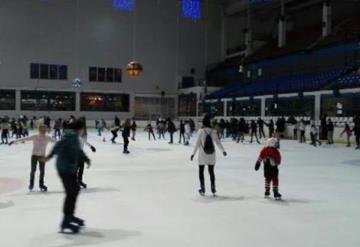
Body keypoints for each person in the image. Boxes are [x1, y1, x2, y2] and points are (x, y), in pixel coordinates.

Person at [42, 120, 90, 234]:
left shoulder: (74, 136)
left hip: (69, 168)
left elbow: (78, 151)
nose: (84, 131)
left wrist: (85, 158)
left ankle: (70, 216)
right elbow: (58, 145)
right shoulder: (70, 136)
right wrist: (49, 156)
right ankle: (66, 222)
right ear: (79, 128)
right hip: (65, 169)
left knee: (74, 191)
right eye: (83, 129)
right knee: (71, 192)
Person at [9, 124, 56, 191]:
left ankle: (41, 184)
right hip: (34, 156)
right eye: (42, 129)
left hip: (42, 156)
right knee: (33, 170)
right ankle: (31, 184)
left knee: (42, 171)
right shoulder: (35, 137)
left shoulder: (48, 138)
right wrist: (14, 141)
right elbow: (24, 138)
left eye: (45, 130)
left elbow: (57, 142)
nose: (44, 131)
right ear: (39, 130)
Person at [191, 115, 227, 196]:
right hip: (211, 154)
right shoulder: (213, 131)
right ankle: (213, 187)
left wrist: (193, 154)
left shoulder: (200, 131)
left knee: (201, 172)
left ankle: (202, 188)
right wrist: (223, 151)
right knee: (211, 172)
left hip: (202, 154)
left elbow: (197, 144)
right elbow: (218, 142)